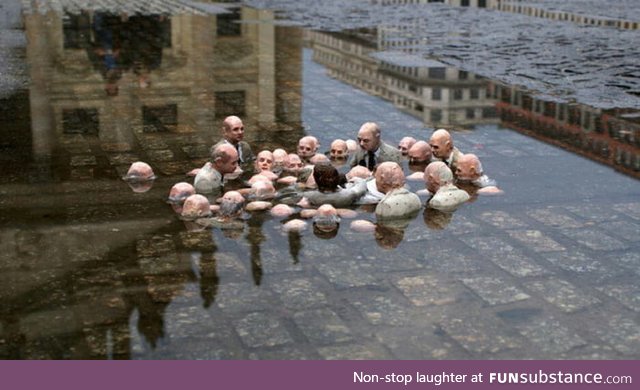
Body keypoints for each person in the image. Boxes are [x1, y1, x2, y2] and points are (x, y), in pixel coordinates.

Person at [299, 163, 366, 208]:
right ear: (337, 177)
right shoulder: (349, 194)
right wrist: (357, 179)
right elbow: (361, 188)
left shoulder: (308, 196)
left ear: (316, 179)